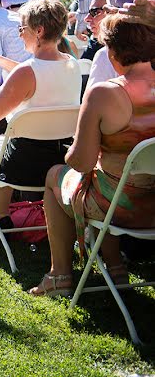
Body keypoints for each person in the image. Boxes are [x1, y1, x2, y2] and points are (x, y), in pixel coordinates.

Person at [29, 15, 154, 296]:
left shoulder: (104, 93)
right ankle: (116, 269)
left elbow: (81, 162)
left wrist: (74, 150)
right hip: (150, 204)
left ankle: (59, 274)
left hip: (121, 208)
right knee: (107, 180)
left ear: (111, 53)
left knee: (58, 176)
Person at [0, 0, 82, 233]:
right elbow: (39, 75)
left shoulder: (27, 72)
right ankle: (1, 215)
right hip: (61, 159)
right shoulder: (73, 63)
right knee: (4, 142)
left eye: (21, 28)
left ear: (38, 31)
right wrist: (2, 62)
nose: (19, 34)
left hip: (25, 164)